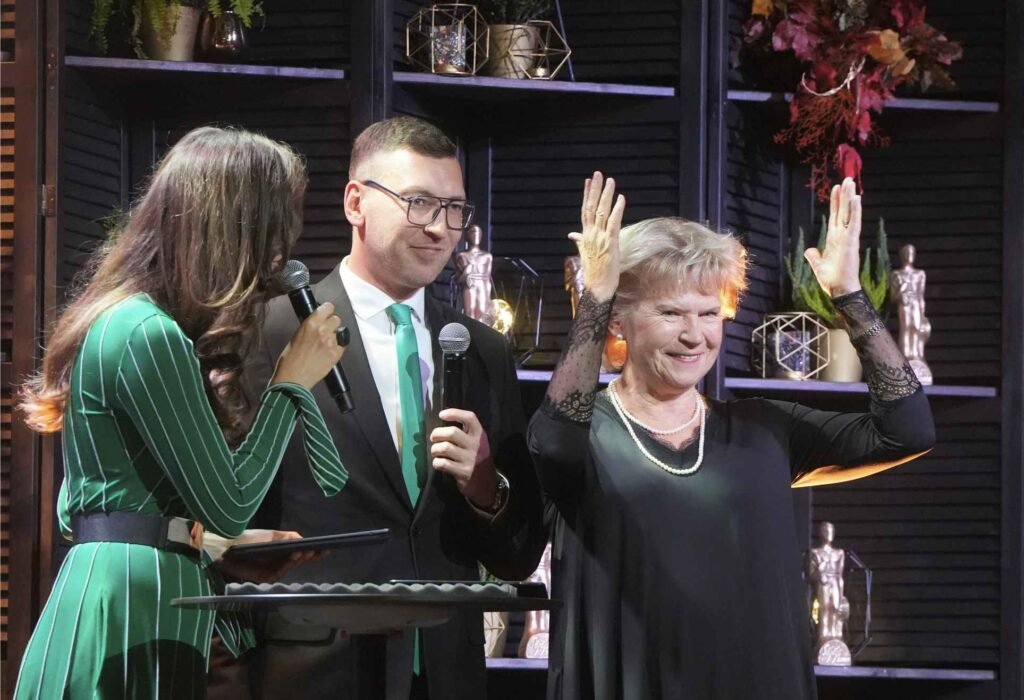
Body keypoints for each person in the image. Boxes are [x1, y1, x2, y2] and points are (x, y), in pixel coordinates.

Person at [529, 174, 935, 700]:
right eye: (670, 313)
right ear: (620, 323)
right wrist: (596, 298)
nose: (694, 335)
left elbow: (907, 430)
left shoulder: (765, 428)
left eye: (708, 314)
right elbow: (553, 446)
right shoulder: (584, 433)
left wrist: (848, 296)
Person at [13, 126, 349, 699]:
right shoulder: (149, 333)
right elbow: (231, 505)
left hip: (123, 593)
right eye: (272, 231)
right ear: (233, 230)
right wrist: (292, 382)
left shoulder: (125, 321)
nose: (278, 256)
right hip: (131, 609)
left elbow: (89, 509)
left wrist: (208, 545)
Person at [246, 116, 547, 699]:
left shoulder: (482, 350)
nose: (439, 227)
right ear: (355, 203)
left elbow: (519, 555)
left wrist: (484, 485)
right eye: (418, 202)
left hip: (447, 672)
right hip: (312, 671)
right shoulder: (271, 331)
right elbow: (232, 512)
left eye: (454, 209)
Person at [807, 521, 851, 664]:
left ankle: (837, 637)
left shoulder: (839, 553)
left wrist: (842, 594)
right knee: (825, 610)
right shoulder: (815, 553)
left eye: (831, 530)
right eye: (826, 530)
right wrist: (820, 572)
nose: (829, 533)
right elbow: (811, 575)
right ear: (821, 533)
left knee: (836, 610)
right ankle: (823, 638)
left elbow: (840, 575)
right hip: (823, 583)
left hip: (835, 583)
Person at [891, 243, 933, 384]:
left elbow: (921, 295)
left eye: (912, 253)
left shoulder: (920, 274)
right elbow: (893, 296)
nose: (910, 256)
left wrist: (922, 313)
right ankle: (906, 356)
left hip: (915, 304)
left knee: (916, 328)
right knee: (905, 328)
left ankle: (917, 356)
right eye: (907, 253)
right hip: (904, 304)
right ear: (902, 255)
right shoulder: (897, 274)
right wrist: (901, 293)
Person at [455, 224, 496, 325]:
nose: (476, 235)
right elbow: (458, 280)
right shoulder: (462, 256)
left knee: (482, 313)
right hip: (469, 285)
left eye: (478, 232)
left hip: (483, 286)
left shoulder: (487, 256)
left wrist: (488, 298)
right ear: (467, 235)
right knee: (470, 313)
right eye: (472, 232)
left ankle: (481, 334)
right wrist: (466, 272)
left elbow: (488, 278)